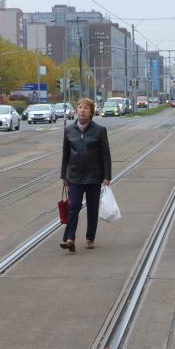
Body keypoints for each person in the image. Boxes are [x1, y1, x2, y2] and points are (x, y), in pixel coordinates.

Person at [59, 97, 112, 253]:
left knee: (92, 208)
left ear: (91, 112)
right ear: (76, 110)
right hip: (74, 176)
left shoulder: (99, 130)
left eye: (86, 108)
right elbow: (65, 154)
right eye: (80, 107)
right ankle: (70, 239)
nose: (82, 110)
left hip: (93, 176)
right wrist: (64, 176)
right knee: (73, 206)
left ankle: (90, 237)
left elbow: (105, 155)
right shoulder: (69, 130)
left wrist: (107, 176)